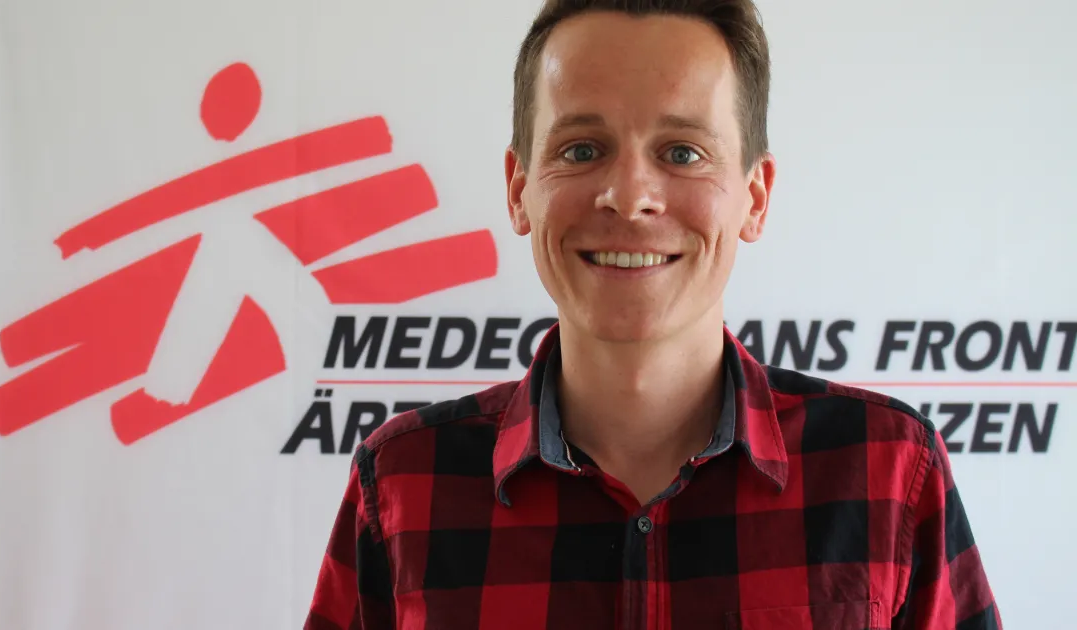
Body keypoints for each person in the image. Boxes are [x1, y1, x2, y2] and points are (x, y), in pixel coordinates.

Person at [304, 1, 1000, 628]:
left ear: (755, 198)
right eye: (582, 149)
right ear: (519, 190)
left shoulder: (888, 469)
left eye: (683, 153)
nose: (630, 195)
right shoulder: (401, 483)